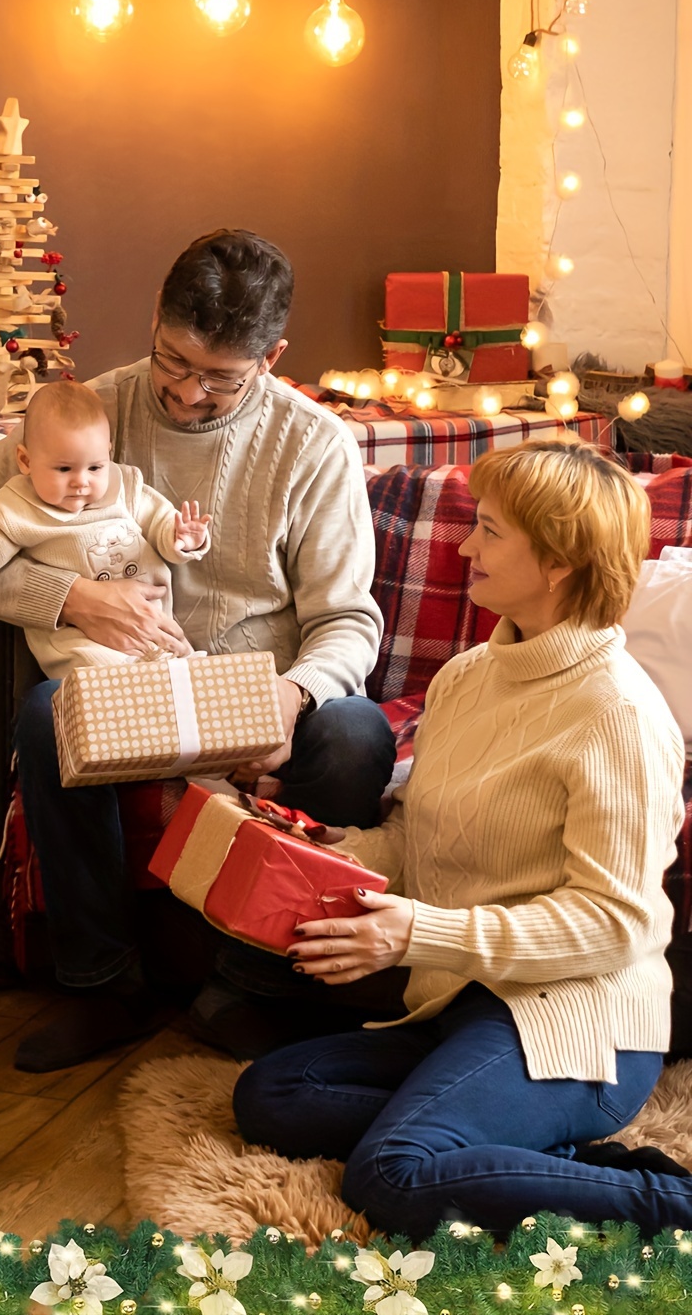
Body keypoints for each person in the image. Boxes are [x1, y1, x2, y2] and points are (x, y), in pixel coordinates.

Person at [0, 228, 396, 1071]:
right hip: (118, 689)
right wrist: (70, 598)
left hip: (252, 693)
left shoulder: (313, 444)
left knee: (359, 735)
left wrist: (295, 697)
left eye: (220, 377)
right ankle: (104, 987)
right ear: (154, 322)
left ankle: (246, 989)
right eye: (173, 359)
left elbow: (347, 620)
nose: (187, 392)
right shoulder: (88, 413)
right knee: (48, 712)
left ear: (272, 356)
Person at [233, 440, 689, 1239]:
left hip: (579, 1025)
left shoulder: (617, 714)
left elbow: (615, 922)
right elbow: (415, 836)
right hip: (465, 1003)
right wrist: (331, 852)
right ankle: (531, 1152)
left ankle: (672, 1207)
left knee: (392, 1176)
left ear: (557, 562)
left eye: (488, 530)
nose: (464, 546)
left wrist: (418, 932)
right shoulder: (469, 676)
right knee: (273, 1094)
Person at [0, 379, 212, 680]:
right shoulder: (16, 507)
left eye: (95, 467)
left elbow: (158, 519)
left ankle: (177, 682)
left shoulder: (124, 486)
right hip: (76, 639)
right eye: (64, 469)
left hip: (153, 619)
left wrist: (182, 538)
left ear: (109, 452)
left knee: (182, 663)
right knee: (98, 668)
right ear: (25, 461)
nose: (81, 481)